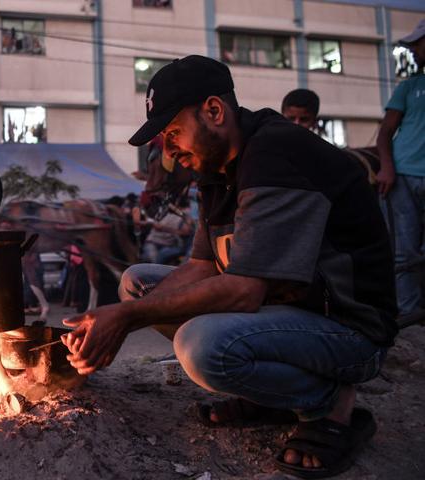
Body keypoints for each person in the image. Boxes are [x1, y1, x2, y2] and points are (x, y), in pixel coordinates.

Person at [61, 55, 396, 479]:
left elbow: (243, 290)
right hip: (287, 316)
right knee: (138, 284)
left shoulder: (275, 153)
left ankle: (327, 403)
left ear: (214, 111)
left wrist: (125, 318)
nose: (168, 149)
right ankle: (272, 395)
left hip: (348, 329)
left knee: (203, 346)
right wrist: (123, 315)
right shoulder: (216, 169)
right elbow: (203, 265)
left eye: (174, 132)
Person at [376, 19, 425, 317]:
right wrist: (386, 167)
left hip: (407, 175)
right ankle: (408, 314)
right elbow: (385, 132)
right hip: (404, 175)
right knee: (402, 252)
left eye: (417, 44)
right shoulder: (409, 87)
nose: (414, 51)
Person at [139, 196, 195, 265]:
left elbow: (186, 232)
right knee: (153, 257)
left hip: (169, 245)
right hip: (153, 242)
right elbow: (152, 222)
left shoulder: (185, 215)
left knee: (158, 259)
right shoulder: (165, 212)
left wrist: (163, 228)